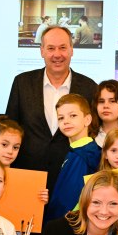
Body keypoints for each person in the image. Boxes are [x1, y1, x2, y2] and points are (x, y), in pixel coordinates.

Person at [6, 25, 97, 191]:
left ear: (71, 50)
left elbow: (94, 132)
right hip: (27, 178)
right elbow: (9, 128)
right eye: (51, 48)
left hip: (71, 180)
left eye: (63, 48)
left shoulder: (89, 87)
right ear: (41, 51)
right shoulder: (22, 83)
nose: (57, 54)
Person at [45, 93, 101, 222]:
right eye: (61, 118)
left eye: (73, 116)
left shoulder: (83, 155)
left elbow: (68, 200)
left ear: (87, 120)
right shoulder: (75, 151)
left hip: (69, 224)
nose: (66, 121)